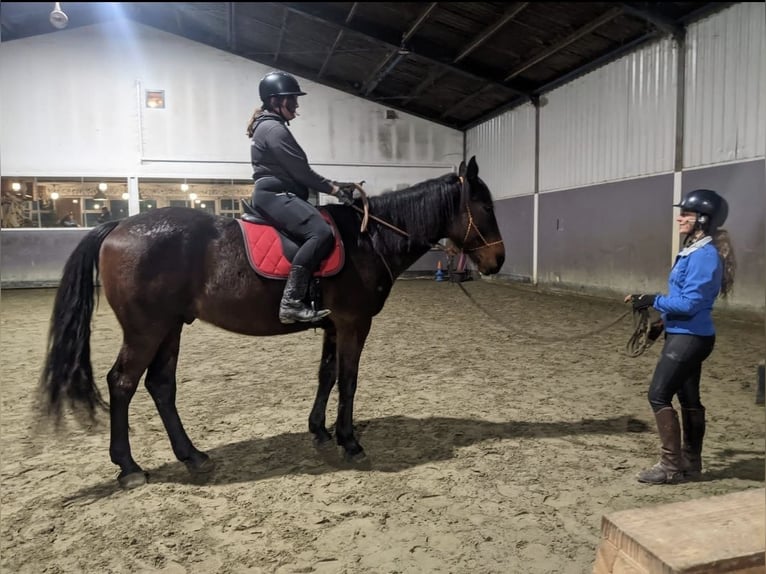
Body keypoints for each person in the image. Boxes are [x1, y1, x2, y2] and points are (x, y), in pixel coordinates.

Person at [625, 188, 736, 485]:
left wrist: (650, 299)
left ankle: (671, 466)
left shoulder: (704, 256)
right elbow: (683, 298)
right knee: (688, 398)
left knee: (658, 394)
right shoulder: (694, 250)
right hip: (684, 333)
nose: (680, 218)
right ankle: (691, 461)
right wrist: (661, 324)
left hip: (690, 338)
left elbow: (690, 304)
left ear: (703, 218)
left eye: (685, 213)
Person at [246, 70, 356, 324]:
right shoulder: (273, 129)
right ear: (276, 101)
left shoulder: (269, 126)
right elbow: (302, 173)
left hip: (278, 192)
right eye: (292, 100)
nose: (296, 107)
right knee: (321, 233)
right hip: (275, 194)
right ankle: (291, 302)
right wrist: (336, 191)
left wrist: (336, 185)